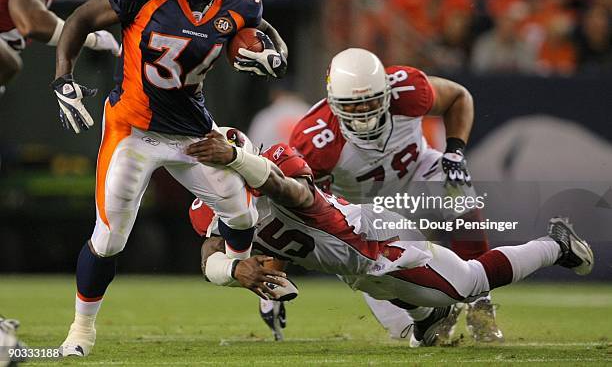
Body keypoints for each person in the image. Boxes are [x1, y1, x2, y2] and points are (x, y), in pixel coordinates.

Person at [53, 0, 288, 357]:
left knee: (243, 218)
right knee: (109, 239)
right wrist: (63, 77)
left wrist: (266, 55)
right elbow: (80, 19)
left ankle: (238, 271)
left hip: (192, 132)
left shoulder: (242, 1)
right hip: (133, 128)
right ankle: (81, 329)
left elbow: (258, 37)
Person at [186, 129, 594, 346]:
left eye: (228, 172)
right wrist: (234, 269)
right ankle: (428, 319)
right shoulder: (209, 207)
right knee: (413, 332)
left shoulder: (275, 160)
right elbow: (209, 250)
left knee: (467, 283)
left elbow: (296, 193)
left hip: (374, 239)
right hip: (350, 266)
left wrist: (240, 161)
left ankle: (556, 244)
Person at [288, 47, 501, 341]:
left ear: (387, 92)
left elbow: (458, 97)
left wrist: (454, 152)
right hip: (365, 211)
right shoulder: (316, 141)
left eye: (371, 101)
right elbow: (300, 207)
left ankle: (480, 300)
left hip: (416, 174)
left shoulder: (408, 89)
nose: (364, 111)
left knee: (456, 183)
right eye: (352, 105)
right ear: (333, 102)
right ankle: (433, 312)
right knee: (407, 331)